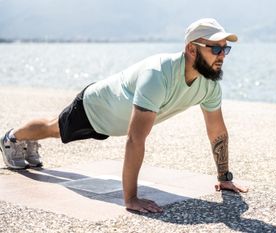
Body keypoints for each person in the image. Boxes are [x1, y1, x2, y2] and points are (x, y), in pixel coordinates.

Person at [0, 18, 248, 213]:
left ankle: (26, 141)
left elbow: (217, 131)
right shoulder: (158, 73)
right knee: (53, 128)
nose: (222, 55)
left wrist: (224, 178)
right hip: (96, 107)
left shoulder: (210, 86)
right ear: (192, 49)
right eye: (215, 48)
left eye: (225, 49)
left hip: (112, 122)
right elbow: (135, 138)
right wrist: (130, 199)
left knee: (52, 129)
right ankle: (12, 139)